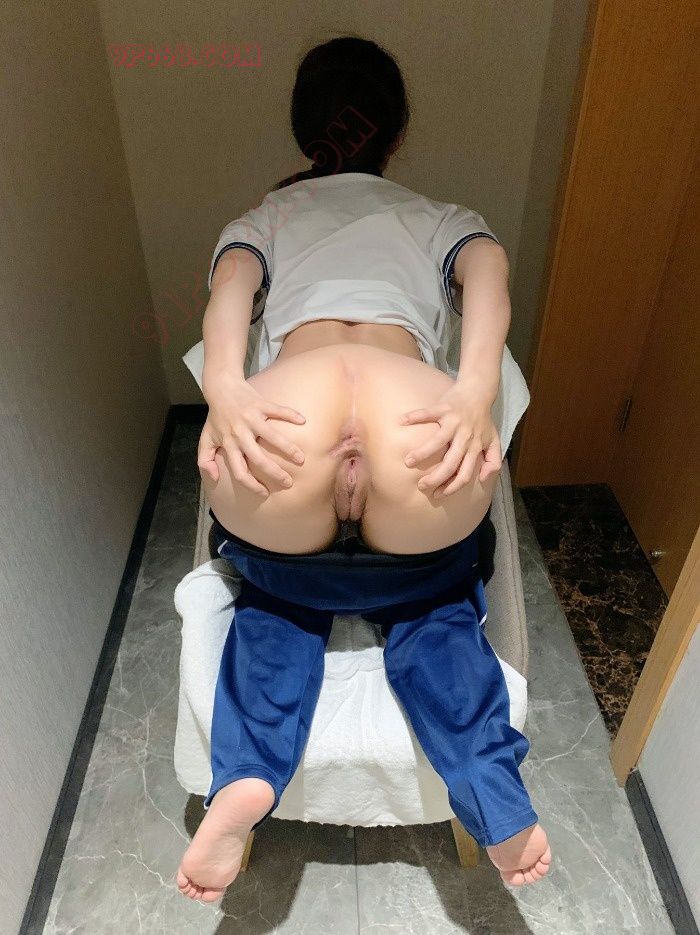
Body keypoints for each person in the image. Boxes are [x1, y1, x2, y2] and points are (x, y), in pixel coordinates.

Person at [176, 35, 551, 902]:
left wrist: (226, 388)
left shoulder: (265, 216)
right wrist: (474, 388)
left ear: (307, 128)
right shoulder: (439, 214)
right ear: (397, 131)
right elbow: (488, 270)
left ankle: (247, 773)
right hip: (410, 430)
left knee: (274, 597)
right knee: (433, 602)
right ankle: (491, 790)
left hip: (289, 429)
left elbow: (230, 289)